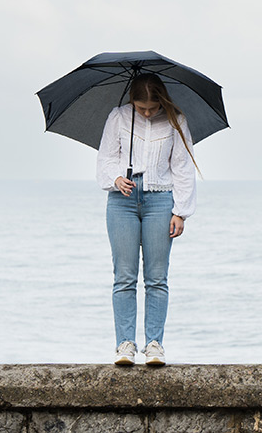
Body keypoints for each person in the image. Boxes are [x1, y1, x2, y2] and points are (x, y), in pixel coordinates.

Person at [97, 74, 197, 367]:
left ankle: (154, 345)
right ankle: (124, 345)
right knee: (124, 277)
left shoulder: (175, 120)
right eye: (142, 108)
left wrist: (181, 211)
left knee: (157, 278)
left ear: (161, 101)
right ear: (132, 101)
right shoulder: (118, 117)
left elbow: (182, 167)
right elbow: (105, 158)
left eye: (153, 107)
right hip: (122, 200)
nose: (148, 113)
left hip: (161, 200)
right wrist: (115, 178)